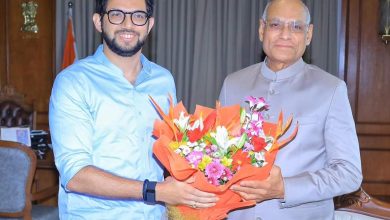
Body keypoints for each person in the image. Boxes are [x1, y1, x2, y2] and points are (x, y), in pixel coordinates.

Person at [49, 0, 217, 219]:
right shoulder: (73, 82)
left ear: (150, 24)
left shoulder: (163, 80)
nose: (128, 24)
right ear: (99, 22)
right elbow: (75, 175)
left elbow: (172, 150)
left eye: (138, 16)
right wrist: (155, 191)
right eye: (117, 14)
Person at [219, 0, 362, 219]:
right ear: (261, 29)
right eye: (276, 25)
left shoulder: (331, 89)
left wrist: (285, 188)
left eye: (296, 27)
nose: (285, 34)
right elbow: (218, 158)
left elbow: (349, 174)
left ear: (309, 34)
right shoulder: (233, 84)